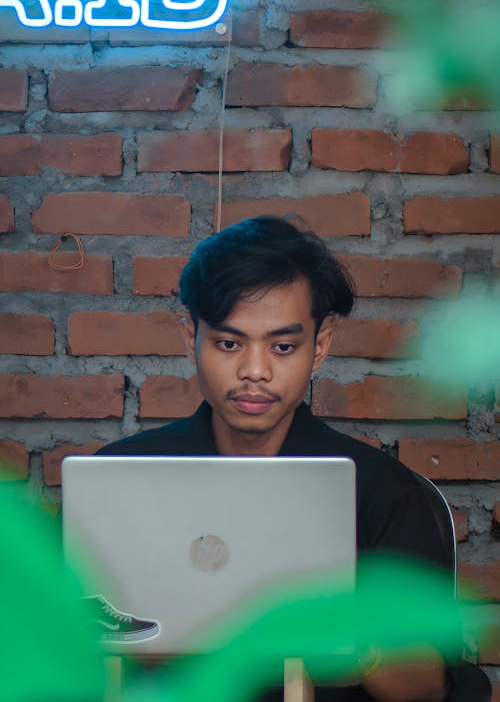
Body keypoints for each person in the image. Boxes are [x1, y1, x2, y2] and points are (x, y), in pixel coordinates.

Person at [99, 215, 462, 701]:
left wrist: (351, 639)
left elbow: (427, 685)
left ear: (321, 345)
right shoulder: (118, 481)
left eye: (284, 346)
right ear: (191, 338)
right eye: (228, 344)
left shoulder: (382, 493)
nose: (254, 371)